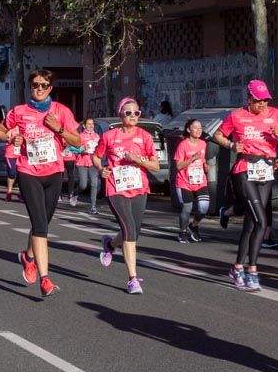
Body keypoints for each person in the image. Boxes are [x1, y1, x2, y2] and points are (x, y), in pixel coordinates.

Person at [0, 70, 81, 298]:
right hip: (28, 171)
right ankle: (45, 279)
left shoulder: (61, 111)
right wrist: (11, 138)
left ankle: (28, 256)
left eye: (44, 85)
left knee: (42, 223)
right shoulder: (20, 112)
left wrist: (59, 129)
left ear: (51, 88)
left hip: (54, 172)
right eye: (35, 85)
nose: (39, 89)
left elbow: (78, 141)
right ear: (30, 87)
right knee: (40, 226)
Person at [212, 79, 278, 291]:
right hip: (245, 168)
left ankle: (237, 267)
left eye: (265, 100)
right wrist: (231, 144)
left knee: (251, 224)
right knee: (261, 221)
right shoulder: (237, 116)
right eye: (258, 101)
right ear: (249, 99)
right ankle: (252, 271)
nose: (263, 105)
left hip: (266, 170)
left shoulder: (275, 115)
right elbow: (218, 135)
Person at [94, 98, 160, 294]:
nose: (133, 116)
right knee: (129, 230)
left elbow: (155, 166)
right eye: (128, 113)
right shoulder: (109, 136)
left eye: (136, 113)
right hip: (116, 188)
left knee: (133, 232)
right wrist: (101, 169)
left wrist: (138, 160)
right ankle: (132, 279)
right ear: (121, 114)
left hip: (139, 188)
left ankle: (110, 244)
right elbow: (97, 156)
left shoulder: (145, 137)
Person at [173, 118, 209, 243]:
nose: (199, 130)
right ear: (189, 129)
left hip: (200, 181)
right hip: (184, 182)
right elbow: (178, 166)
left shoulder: (203, 144)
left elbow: (203, 160)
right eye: (195, 127)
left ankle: (193, 225)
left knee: (204, 208)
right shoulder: (183, 145)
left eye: (200, 128)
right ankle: (182, 232)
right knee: (187, 209)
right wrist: (191, 159)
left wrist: (205, 166)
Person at [75, 118, 101, 214]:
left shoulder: (97, 136)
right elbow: (74, 149)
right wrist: (82, 151)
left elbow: (100, 150)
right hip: (82, 162)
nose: (91, 126)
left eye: (92, 124)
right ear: (84, 126)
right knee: (83, 185)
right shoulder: (80, 136)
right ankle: (75, 193)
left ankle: (93, 207)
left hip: (93, 162)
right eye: (89, 124)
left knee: (94, 184)